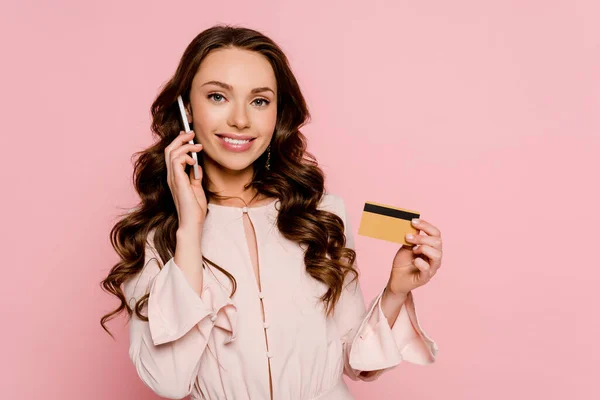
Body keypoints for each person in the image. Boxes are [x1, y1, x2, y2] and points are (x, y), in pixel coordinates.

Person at [100, 24, 443, 400]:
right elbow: (168, 381)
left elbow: (355, 362)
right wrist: (190, 228)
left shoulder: (321, 212)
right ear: (185, 110)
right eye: (218, 96)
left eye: (259, 101)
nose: (241, 120)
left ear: (278, 113)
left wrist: (395, 292)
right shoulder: (156, 233)